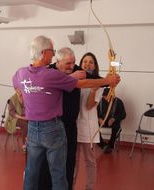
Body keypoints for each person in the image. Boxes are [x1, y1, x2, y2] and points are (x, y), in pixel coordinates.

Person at [13, 36, 120, 190]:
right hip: (52, 128)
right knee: (58, 173)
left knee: (31, 171)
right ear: (44, 53)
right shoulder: (51, 74)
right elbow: (82, 83)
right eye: (52, 51)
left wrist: (21, 93)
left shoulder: (21, 73)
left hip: (33, 128)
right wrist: (107, 81)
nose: (53, 53)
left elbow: (15, 82)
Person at [38, 47, 86, 190]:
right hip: (52, 126)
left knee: (68, 161)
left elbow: (93, 78)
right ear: (58, 62)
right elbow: (45, 83)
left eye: (74, 63)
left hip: (70, 126)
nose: (72, 66)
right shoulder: (48, 71)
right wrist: (72, 78)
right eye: (68, 64)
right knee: (47, 162)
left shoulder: (76, 69)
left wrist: (109, 80)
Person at [74, 52, 103, 190]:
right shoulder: (75, 79)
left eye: (91, 62)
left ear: (95, 65)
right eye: (85, 61)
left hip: (88, 127)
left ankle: (89, 187)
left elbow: (89, 105)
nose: (87, 64)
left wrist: (93, 90)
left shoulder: (98, 81)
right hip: (74, 125)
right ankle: (70, 186)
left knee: (90, 161)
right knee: (73, 161)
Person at [97, 87, 126, 153]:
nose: (105, 98)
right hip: (102, 121)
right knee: (93, 126)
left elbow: (123, 114)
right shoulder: (100, 101)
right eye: (104, 96)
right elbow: (95, 113)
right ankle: (103, 145)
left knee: (117, 127)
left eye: (106, 96)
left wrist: (114, 119)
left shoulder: (118, 102)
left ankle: (111, 145)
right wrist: (99, 118)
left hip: (113, 121)